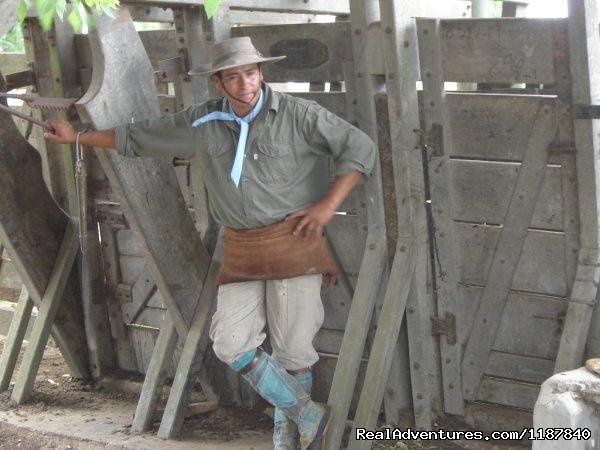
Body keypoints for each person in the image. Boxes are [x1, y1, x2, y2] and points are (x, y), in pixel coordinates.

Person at [44, 36, 376, 450]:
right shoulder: (202, 121)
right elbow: (142, 136)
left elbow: (360, 149)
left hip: (295, 242)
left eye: (250, 73)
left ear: (262, 73)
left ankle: (289, 442)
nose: (244, 84)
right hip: (240, 248)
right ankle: (308, 413)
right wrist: (77, 137)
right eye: (233, 77)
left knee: (294, 350)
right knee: (230, 343)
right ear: (218, 82)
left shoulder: (300, 114)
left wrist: (327, 206)